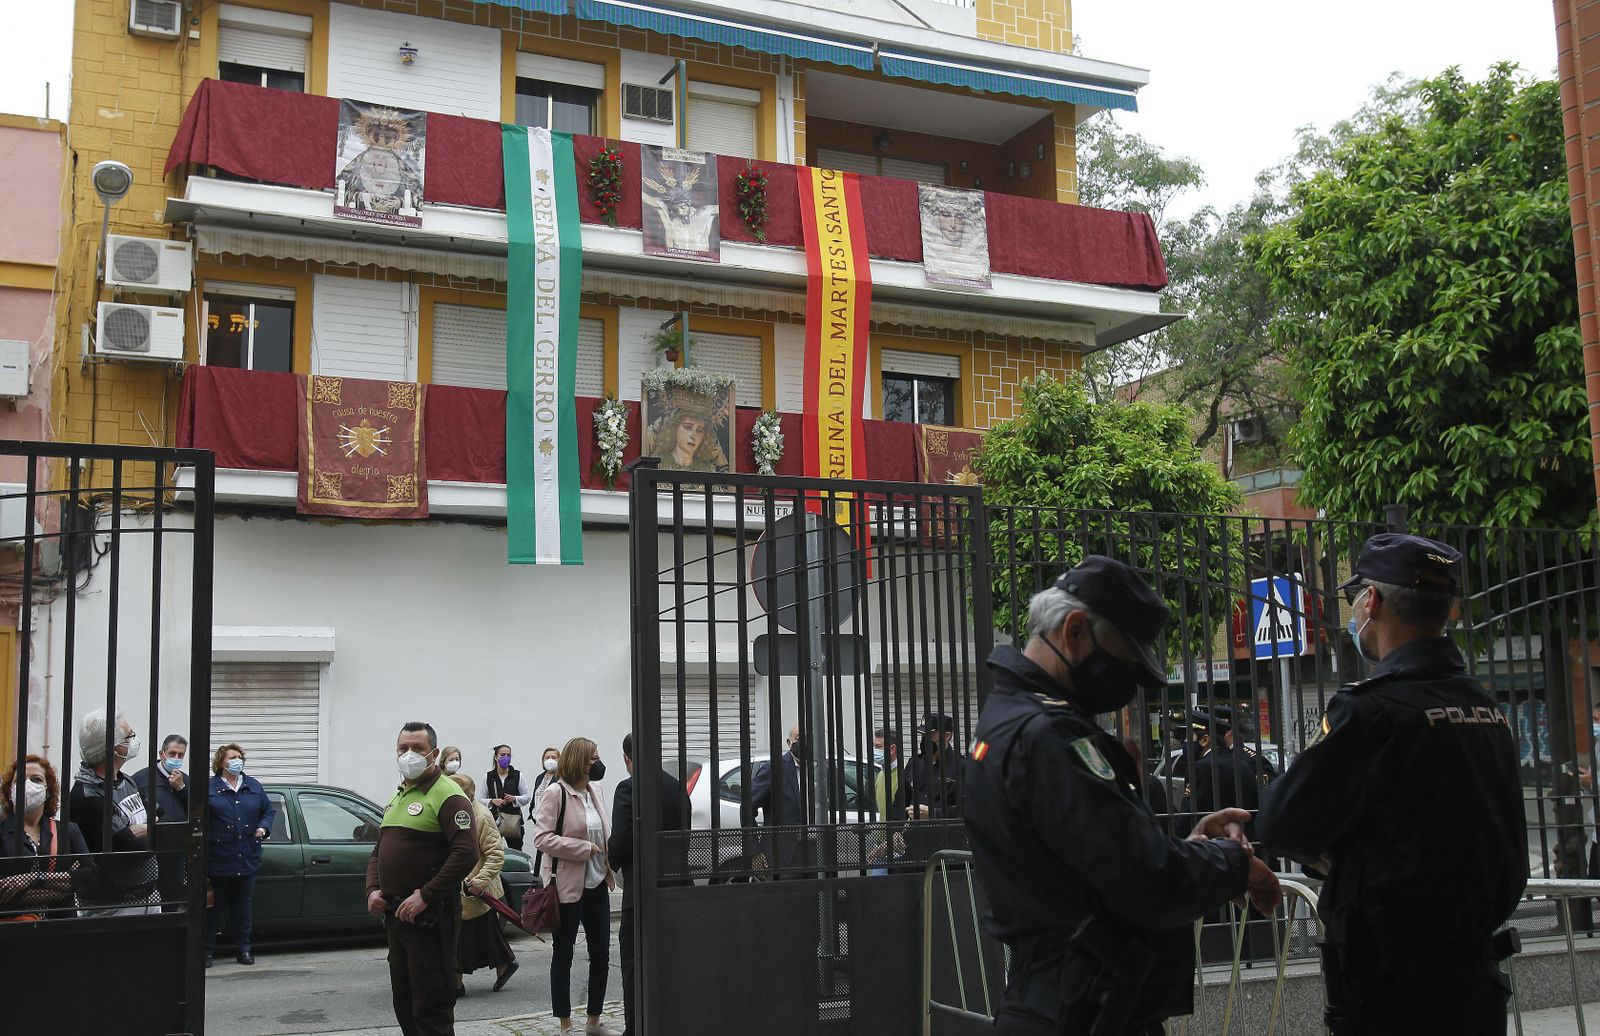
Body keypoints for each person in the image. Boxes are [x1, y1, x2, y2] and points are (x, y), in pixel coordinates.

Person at [964, 556, 1281, 1034]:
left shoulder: (1013, 717)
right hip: (1081, 1012)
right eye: (1123, 660)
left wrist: (1186, 842)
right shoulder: (1050, 737)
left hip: (1071, 1003)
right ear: (1074, 630)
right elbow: (1144, 879)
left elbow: (1090, 860)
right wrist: (1232, 863)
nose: (1127, 681)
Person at [1258, 533, 1527, 1035]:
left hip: (1392, 989)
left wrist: (1340, 860)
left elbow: (1280, 824)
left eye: (1351, 598)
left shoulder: (1371, 710)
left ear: (1372, 600)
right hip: (1474, 983)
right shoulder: (1485, 708)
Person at [365, 721, 479, 1036]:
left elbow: (466, 853)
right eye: (404, 748)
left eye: (418, 748)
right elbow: (378, 851)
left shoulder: (448, 794)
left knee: (431, 1010)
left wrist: (426, 895)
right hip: (398, 919)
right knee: (405, 1006)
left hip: (431, 919)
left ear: (435, 753)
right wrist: (373, 890)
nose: (409, 754)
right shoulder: (399, 794)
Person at [533, 737, 618, 1036]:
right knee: (564, 954)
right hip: (566, 886)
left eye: (598, 757)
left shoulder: (596, 790)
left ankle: (594, 1019)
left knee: (602, 954)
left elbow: (605, 833)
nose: (598, 763)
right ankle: (565, 1024)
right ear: (578, 761)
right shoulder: (556, 793)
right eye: (592, 759)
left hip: (597, 883)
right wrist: (582, 847)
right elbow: (541, 839)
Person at [609, 734, 690, 1036]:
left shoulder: (628, 788)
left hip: (640, 892)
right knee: (671, 963)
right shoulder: (676, 786)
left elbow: (619, 842)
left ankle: (637, 1027)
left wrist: (611, 862)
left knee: (634, 963)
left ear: (628, 759)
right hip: (674, 887)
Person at [69, 707, 159, 915]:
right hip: (111, 904)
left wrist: (144, 829)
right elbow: (133, 849)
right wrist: (153, 828)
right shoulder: (88, 795)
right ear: (113, 748)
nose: (135, 740)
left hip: (147, 895)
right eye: (130, 736)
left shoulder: (126, 780)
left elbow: (165, 817)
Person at [0, 755, 98, 918]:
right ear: (10, 791)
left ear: (48, 791)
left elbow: (90, 876)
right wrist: (65, 885)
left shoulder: (68, 830)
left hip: (61, 929)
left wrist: (32, 878)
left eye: (36, 780)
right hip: (14, 932)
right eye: (19, 781)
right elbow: (4, 893)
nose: (27, 785)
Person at [206, 743, 275, 967]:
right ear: (221, 762)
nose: (237, 761)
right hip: (219, 859)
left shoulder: (252, 785)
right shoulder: (210, 787)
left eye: (239, 757)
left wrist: (263, 828)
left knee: (242, 907)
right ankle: (207, 951)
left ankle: (244, 949)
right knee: (213, 910)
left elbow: (268, 810)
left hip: (247, 857)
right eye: (232, 757)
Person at [449, 771, 517, 996]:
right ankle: (504, 965)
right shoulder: (454, 812)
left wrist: (478, 881)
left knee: (460, 936)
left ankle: (456, 982)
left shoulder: (481, 816)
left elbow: (496, 854)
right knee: (482, 935)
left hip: (476, 889)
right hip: (462, 889)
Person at [133, 733, 189, 912]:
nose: (176, 758)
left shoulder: (186, 780)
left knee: (172, 903)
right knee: (146, 902)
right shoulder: (142, 779)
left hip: (177, 853)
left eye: (181, 755)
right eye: (172, 753)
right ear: (161, 753)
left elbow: (196, 811)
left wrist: (181, 789)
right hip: (150, 850)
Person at [741, 724, 807, 872]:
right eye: (798, 738)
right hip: (781, 857)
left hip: (813, 856)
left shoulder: (821, 770)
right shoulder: (773, 769)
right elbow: (747, 808)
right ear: (789, 742)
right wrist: (755, 851)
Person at [907, 712, 964, 820]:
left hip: (946, 834)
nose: (925, 739)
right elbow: (900, 801)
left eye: (929, 735)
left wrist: (935, 813)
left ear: (947, 736)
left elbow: (970, 807)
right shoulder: (914, 763)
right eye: (923, 735)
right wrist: (897, 830)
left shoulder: (961, 767)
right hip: (914, 834)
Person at [867, 726, 906, 874]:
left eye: (878, 747)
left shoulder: (904, 776)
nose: (874, 751)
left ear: (892, 749)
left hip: (899, 849)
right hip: (882, 847)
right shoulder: (881, 775)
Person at [482, 745, 530, 852]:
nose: (506, 757)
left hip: (513, 820)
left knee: (516, 851)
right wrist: (492, 801)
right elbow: (481, 799)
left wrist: (515, 799)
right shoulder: (488, 776)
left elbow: (527, 797)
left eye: (508, 755)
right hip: (494, 820)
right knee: (493, 851)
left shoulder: (518, 775)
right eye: (502, 755)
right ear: (496, 757)